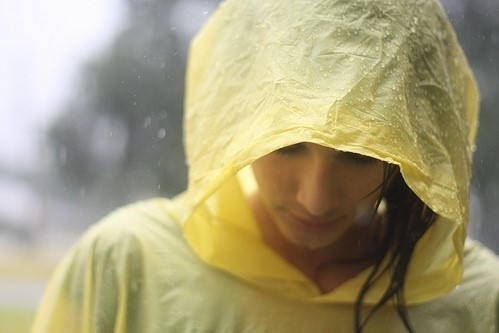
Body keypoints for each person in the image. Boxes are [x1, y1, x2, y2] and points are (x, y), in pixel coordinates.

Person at [31, 0, 499, 332]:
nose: (314, 198)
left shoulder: (479, 302)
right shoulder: (125, 263)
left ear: (414, 152)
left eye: (360, 155)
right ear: (237, 122)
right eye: (286, 145)